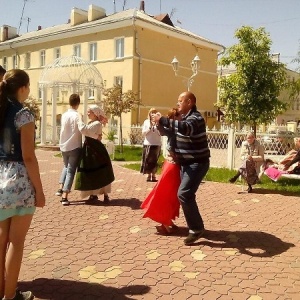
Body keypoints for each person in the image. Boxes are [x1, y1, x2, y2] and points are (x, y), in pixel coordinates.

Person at [0, 69, 45, 300]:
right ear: (23, 88)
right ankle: (10, 297)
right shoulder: (24, 114)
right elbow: (28, 156)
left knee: (0, 242)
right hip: (18, 182)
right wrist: (39, 190)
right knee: (16, 243)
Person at [154, 91, 210, 245]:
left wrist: (163, 119)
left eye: (181, 101)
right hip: (186, 164)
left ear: (189, 102)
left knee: (184, 193)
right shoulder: (183, 118)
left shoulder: (195, 118)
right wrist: (159, 123)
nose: (178, 103)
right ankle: (195, 226)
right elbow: (169, 132)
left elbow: (185, 128)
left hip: (197, 163)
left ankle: (196, 229)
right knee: (184, 194)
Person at [141, 108, 181, 234]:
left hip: (175, 165)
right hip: (172, 165)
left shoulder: (178, 129)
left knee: (174, 195)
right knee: (166, 193)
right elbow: (163, 131)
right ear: (174, 118)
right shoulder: (173, 130)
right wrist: (158, 122)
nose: (182, 118)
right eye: (179, 116)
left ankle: (168, 219)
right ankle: (165, 222)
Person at [74, 105, 114, 204]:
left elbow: (85, 130)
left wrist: (79, 119)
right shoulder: (93, 123)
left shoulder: (96, 123)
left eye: (89, 112)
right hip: (90, 149)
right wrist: (96, 136)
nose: (87, 113)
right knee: (91, 172)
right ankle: (93, 194)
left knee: (99, 171)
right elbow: (90, 133)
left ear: (95, 114)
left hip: (95, 150)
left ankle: (105, 194)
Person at [56, 94, 82, 206]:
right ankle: (65, 196)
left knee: (66, 167)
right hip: (74, 145)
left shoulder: (64, 115)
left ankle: (60, 188)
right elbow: (81, 128)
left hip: (64, 145)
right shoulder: (77, 115)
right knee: (71, 170)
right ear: (78, 103)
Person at [140, 108, 161, 182]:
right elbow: (143, 133)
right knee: (148, 160)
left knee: (154, 160)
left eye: (154, 113)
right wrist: (150, 128)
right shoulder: (146, 122)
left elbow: (160, 133)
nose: (153, 114)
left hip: (157, 144)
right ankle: (149, 175)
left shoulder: (159, 123)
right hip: (148, 144)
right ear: (149, 114)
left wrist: (157, 125)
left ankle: (154, 175)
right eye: (151, 113)